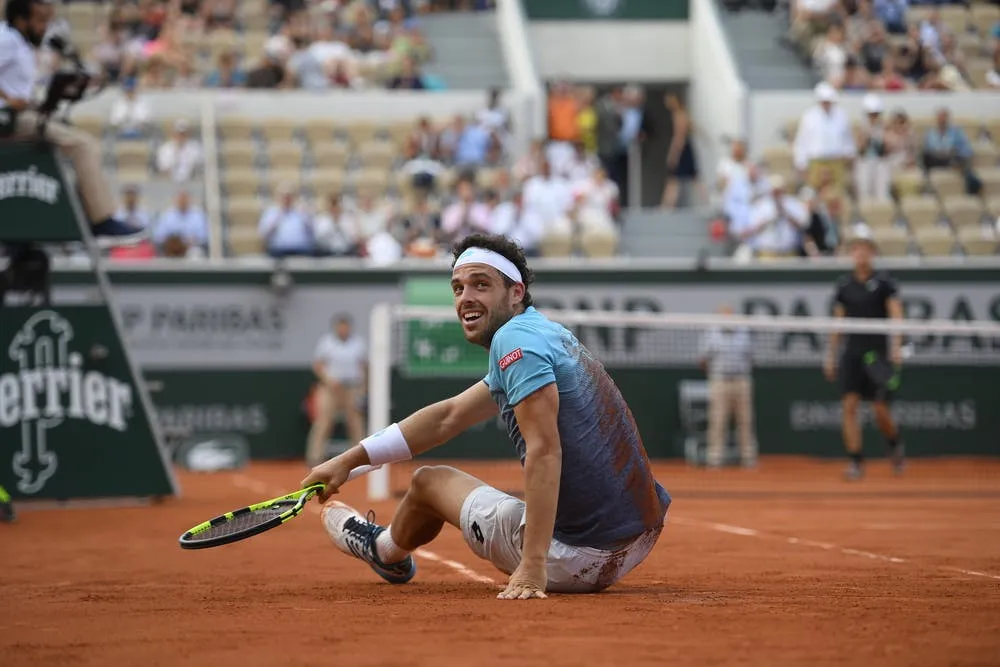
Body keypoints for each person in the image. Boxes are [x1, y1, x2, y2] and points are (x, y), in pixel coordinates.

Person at [303, 234, 671, 599]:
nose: (466, 298)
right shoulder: (541, 332)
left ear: (515, 292)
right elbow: (448, 417)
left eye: (481, 284)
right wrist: (349, 461)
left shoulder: (513, 342)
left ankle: (383, 551)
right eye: (458, 288)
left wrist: (532, 566)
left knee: (428, 484)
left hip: (577, 558)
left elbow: (544, 451)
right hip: (641, 535)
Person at [0, 0, 145, 246]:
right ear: (21, 20)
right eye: (40, 21)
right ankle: (101, 219)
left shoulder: (20, 43)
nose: (44, 28)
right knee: (82, 144)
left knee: (66, 126)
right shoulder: (7, 39)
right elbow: (13, 97)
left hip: (21, 115)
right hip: (8, 121)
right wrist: (10, 99)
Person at [824, 227, 905, 481]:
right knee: (849, 407)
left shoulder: (885, 283)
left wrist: (896, 347)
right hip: (852, 354)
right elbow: (838, 324)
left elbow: (896, 315)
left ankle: (893, 442)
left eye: (865, 248)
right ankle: (856, 461)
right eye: (856, 248)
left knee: (880, 409)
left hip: (878, 353)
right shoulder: (844, 285)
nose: (860, 253)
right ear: (851, 253)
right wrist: (831, 355)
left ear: (873, 252)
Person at [698, 304, 757, 468]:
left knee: (745, 420)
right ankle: (715, 458)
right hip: (719, 381)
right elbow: (703, 359)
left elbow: (752, 357)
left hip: (741, 381)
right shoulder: (711, 333)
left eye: (730, 315)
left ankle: (748, 458)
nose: (728, 318)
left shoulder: (744, 332)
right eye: (724, 315)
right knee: (718, 420)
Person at [306, 314, 368, 467]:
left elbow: (364, 367)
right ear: (336, 327)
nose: (343, 329)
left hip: (352, 388)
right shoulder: (326, 343)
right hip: (330, 389)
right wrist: (328, 379)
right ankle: (315, 458)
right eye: (340, 326)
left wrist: (363, 389)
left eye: (346, 326)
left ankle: (360, 458)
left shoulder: (358, 343)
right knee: (323, 423)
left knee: (355, 423)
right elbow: (318, 365)